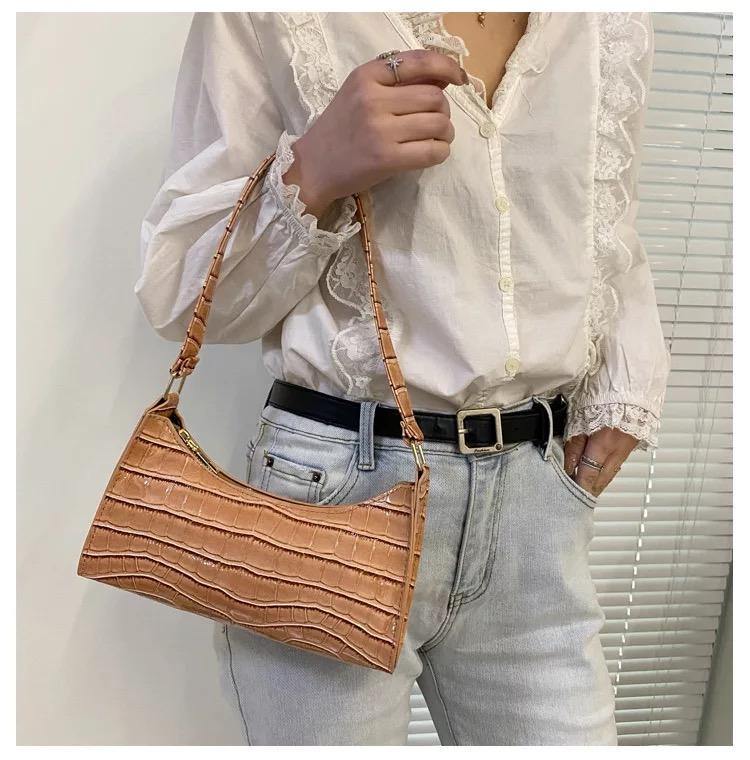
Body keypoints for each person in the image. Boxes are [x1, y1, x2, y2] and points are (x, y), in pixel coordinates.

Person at [135, 11, 670, 746]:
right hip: (332, 504)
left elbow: (610, 226)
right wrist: (317, 167)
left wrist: (626, 386)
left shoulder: (610, 21)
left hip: (536, 510)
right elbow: (180, 295)